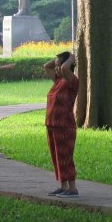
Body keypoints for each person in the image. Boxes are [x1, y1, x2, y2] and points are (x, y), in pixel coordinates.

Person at [43, 51, 80, 198]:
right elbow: (46, 66)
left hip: (64, 125)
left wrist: (71, 57)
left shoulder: (72, 81)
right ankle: (62, 186)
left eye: (59, 65)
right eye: (57, 66)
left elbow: (65, 69)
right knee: (56, 157)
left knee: (65, 156)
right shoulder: (58, 81)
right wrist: (57, 59)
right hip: (52, 124)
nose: (57, 68)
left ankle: (72, 189)